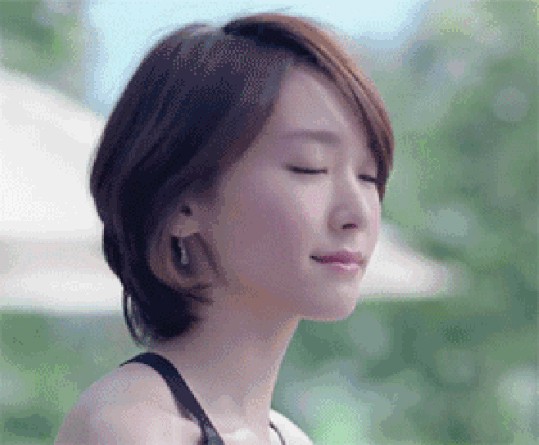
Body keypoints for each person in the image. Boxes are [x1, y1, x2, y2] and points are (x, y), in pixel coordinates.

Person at [55, 11, 394, 445]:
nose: (357, 213)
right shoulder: (133, 429)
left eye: (369, 176)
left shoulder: (288, 437)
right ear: (181, 202)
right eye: (309, 167)